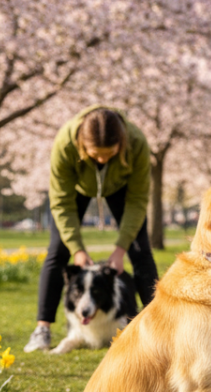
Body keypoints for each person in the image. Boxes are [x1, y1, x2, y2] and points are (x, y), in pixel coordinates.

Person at [24, 106, 159, 353]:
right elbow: (61, 202)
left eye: (109, 154)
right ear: (81, 145)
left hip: (122, 189)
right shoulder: (65, 143)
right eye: (96, 154)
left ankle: (162, 327)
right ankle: (42, 328)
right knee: (57, 251)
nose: (102, 160)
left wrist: (120, 249)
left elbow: (138, 199)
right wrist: (76, 248)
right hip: (77, 190)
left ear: (122, 143)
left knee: (140, 252)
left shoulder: (137, 142)